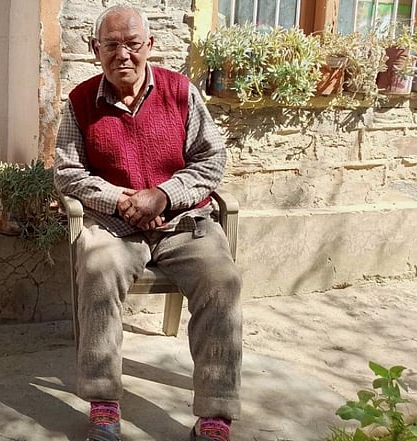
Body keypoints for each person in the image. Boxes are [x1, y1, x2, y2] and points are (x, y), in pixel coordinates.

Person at [54, 5, 242, 441]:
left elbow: (212, 158)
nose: (123, 55)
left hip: (183, 221)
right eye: (111, 45)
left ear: (149, 46)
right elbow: (67, 171)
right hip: (117, 226)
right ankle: (103, 404)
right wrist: (121, 200)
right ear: (95, 49)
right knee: (99, 270)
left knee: (223, 281)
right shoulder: (81, 101)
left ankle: (214, 415)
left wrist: (164, 194)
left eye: (132, 44)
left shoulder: (180, 92)